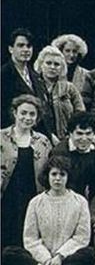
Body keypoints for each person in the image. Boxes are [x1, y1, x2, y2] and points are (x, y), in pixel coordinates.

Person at [2, 156, 95, 265]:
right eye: (54, 174)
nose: (57, 178)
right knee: (9, 252)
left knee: (90, 254)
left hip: (67, 257)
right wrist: (46, 259)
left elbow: (81, 237)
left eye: (62, 174)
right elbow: (30, 239)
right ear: (48, 176)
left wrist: (59, 257)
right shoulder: (36, 202)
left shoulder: (80, 202)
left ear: (68, 177)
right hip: (40, 258)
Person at [1, 95, 53, 248]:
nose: (27, 117)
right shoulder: (1, 137)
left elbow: (48, 171)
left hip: (31, 196)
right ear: (15, 113)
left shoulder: (43, 141)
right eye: (23, 113)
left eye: (32, 114)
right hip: (6, 196)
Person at [1, 28, 49, 134]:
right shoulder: (3, 75)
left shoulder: (36, 76)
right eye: (20, 45)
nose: (26, 49)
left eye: (29, 46)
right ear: (10, 49)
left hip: (36, 135)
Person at [33, 45, 85, 142]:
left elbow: (80, 114)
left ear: (62, 67)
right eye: (48, 63)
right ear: (41, 64)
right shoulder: (33, 87)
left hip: (66, 139)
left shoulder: (69, 88)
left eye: (56, 64)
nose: (52, 67)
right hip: (39, 139)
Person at [50, 111, 95, 200]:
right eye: (79, 133)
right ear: (70, 134)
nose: (84, 138)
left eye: (88, 133)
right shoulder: (59, 152)